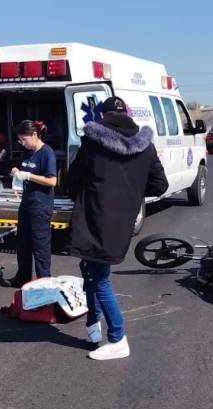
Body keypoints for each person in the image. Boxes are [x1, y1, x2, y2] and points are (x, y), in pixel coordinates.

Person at [67, 96, 168, 361]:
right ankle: (93, 325)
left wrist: (87, 195)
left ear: (103, 115)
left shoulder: (93, 141)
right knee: (90, 269)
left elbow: (72, 180)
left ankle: (118, 338)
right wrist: (130, 193)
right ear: (128, 115)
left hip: (94, 218)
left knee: (100, 278)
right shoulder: (146, 146)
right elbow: (160, 185)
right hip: (122, 221)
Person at [3, 120, 57, 288]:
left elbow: (52, 181)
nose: (22, 143)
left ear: (34, 135)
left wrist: (28, 176)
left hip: (41, 204)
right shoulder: (27, 152)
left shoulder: (46, 153)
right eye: (20, 140)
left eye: (24, 139)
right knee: (22, 243)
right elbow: (25, 169)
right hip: (27, 201)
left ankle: (44, 283)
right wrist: (17, 172)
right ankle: (23, 278)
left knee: (40, 246)